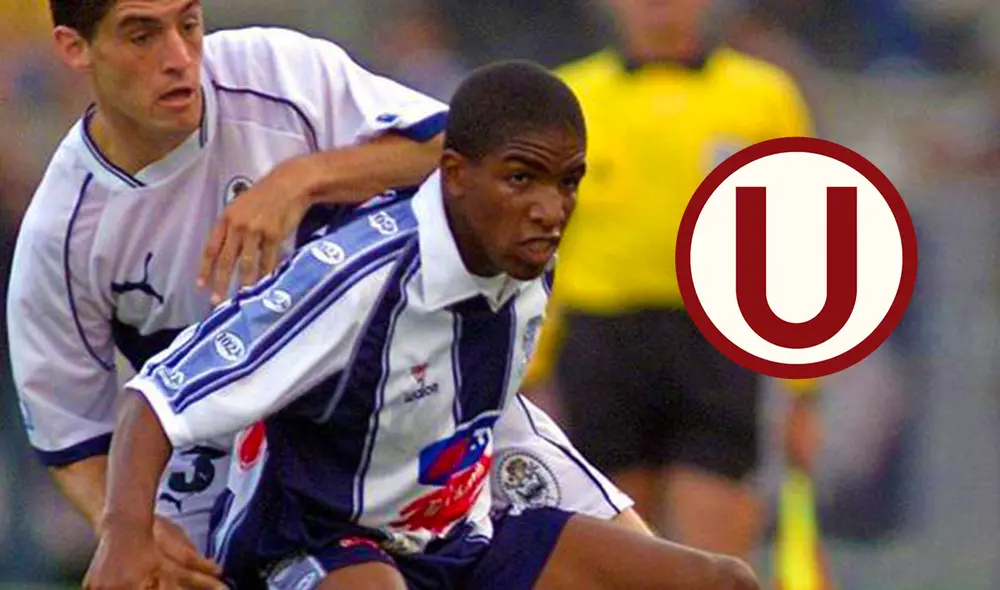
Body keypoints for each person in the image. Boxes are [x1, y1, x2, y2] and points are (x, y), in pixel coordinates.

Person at [8, 1, 639, 587]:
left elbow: (462, 150)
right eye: (142, 34)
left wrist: (303, 179)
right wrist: (128, 526)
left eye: (190, 23)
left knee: (666, 566)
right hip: (235, 465)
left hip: (424, 397)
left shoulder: (275, 72)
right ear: (74, 48)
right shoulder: (59, 236)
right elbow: (75, 437)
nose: (178, 56)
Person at [83, 60, 758, 590]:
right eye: (522, 178)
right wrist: (123, 536)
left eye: (567, 182)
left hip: (460, 544)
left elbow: (496, 424)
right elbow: (158, 397)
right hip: (316, 545)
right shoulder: (355, 277)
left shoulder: (527, 262)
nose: (550, 209)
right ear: (456, 174)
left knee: (723, 579)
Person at [521, 0, 824, 562]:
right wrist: (528, 371)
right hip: (603, 341)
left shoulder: (762, 94)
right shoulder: (571, 97)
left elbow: (796, 240)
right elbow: (538, 246)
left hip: (720, 339)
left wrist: (804, 390)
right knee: (620, 552)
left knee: (716, 556)